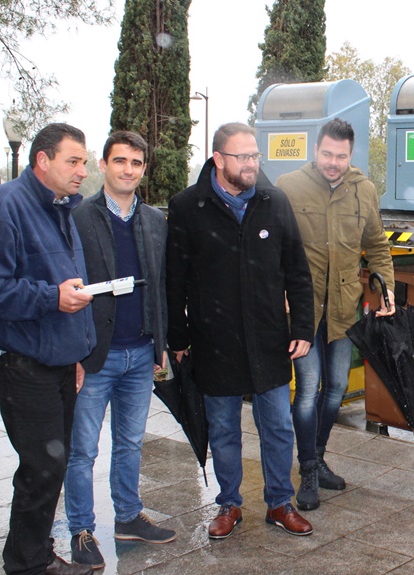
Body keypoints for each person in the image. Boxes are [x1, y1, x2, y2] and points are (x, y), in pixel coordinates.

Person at [166, 122, 316, 538]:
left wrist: (302, 325)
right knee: (224, 429)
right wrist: (178, 338)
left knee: (277, 427)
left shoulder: (274, 203)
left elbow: (297, 273)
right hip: (214, 342)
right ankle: (229, 505)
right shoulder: (186, 207)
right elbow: (174, 280)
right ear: (218, 159)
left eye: (255, 156)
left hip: (269, 340)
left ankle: (279, 503)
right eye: (242, 157)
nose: (251, 164)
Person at [0, 123, 96, 575]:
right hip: (21, 364)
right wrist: (50, 297)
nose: (83, 170)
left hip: (58, 363)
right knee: (42, 468)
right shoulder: (2, 209)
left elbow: (69, 289)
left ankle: (33, 554)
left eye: (83, 161)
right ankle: (28, 564)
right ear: (42, 160)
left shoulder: (60, 210)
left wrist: (74, 352)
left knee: (50, 469)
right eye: (72, 161)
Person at [64, 131, 175, 569]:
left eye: (136, 163)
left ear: (143, 169)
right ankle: (81, 530)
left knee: (130, 442)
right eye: (120, 161)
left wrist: (160, 343)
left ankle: (128, 516)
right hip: (95, 354)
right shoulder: (78, 217)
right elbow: (70, 287)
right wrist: (72, 351)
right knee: (82, 449)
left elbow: (161, 286)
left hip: (140, 351)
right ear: (104, 164)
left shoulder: (154, 221)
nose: (128, 170)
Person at [276, 118, 395, 511]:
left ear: (350, 154)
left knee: (337, 390)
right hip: (304, 309)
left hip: (344, 309)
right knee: (308, 390)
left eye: (340, 156)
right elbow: (272, 248)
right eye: (326, 154)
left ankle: (319, 454)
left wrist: (385, 289)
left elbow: (377, 245)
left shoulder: (364, 190)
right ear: (316, 149)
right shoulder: (289, 187)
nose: (333, 162)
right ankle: (307, 469)